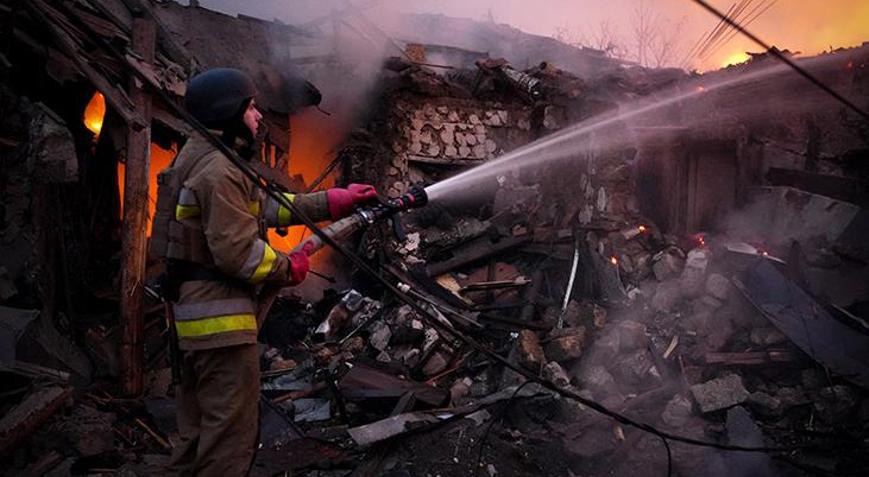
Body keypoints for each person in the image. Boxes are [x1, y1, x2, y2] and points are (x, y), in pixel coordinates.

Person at [150, 68, 377, 476]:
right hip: (219, 324)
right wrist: (288, 266)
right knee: (228, 437)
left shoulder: (201, 157)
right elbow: (237, 252)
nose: (257, 117)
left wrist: (331, 202)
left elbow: (263, 208)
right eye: (251, 107)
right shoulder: (218, 172)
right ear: (228, 113)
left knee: (196, 433)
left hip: (196, 322)